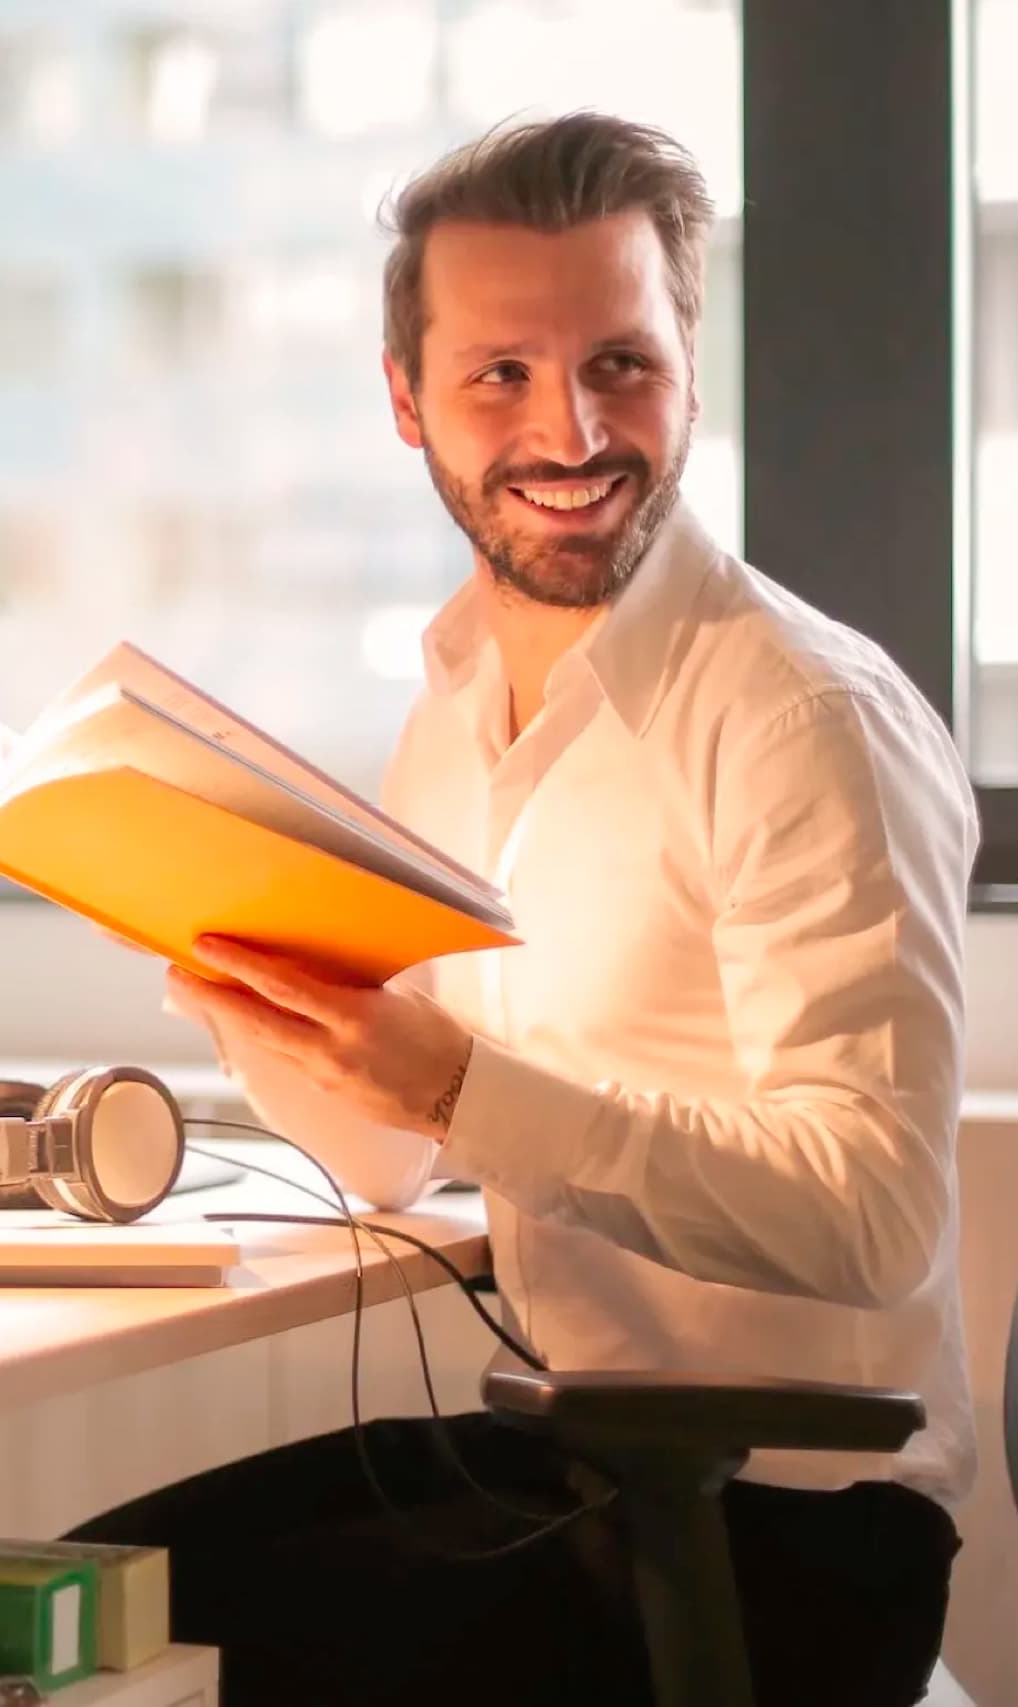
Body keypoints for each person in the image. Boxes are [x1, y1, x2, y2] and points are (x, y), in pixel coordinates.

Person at [75, 113, 979, 1707]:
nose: (569, 430)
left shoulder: (797, 718)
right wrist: (253, 993)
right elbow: (396, 1158)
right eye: (500, 374)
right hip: (567, 1463)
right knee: (42, 1597)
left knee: (118, 1666)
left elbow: (871, 1212)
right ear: (405, 400)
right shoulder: (456, 705)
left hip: (787, 1540)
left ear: (688, 365)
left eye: (619, 363)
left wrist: (451, 1078)